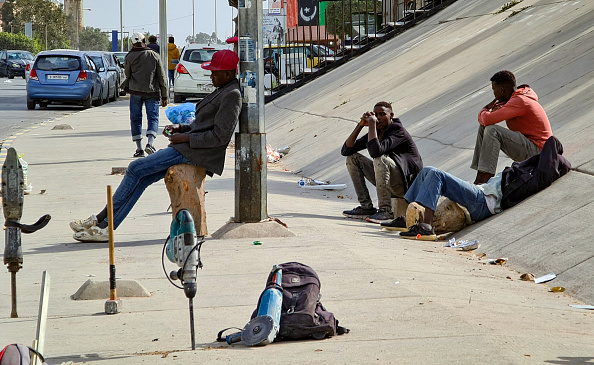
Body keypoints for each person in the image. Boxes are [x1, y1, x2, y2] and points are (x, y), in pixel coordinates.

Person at [70, 50, 242, 242]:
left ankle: (102, 221)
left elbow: (220, 136)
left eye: (215, 73)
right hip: (189, 147)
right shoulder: (223, 89)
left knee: (136, 168)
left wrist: (184, 138)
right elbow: (202, 124)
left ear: (228, 73)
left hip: (198, 153)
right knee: (142, 179)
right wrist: (181, 128)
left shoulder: (232, 95)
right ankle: (104, 224)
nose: (211, 76)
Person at [399, 136, 570, 241]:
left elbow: (552, 142)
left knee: (437, 174)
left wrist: (556, 151)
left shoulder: (540, 176)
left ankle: (426, 227)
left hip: (483, 202)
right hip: (481, 193)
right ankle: (403, 217)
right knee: (428, 170)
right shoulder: (532, 172)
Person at [341, 101, 423, 225]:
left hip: (406, 187)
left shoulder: (398, 130)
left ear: (391, 115)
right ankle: (366, 207)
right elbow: (346, 150)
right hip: (390, 180)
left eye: (382, 114)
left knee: (380, 159)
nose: (378, 118)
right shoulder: (377, 132)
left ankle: (385, 211)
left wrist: (372, 124)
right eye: (376, 115)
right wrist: (360, 125)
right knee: (352, 158)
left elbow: (376, 152)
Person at [471, 70, 552, 184]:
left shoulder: (519, 101)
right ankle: (480, 176)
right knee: (484, 128)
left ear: (502, 90)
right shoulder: (515, 99)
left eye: (494, 90)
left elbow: (486, 119)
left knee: (492, 130)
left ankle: (486, 180)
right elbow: (485, 122)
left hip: (539, 153)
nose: (494, 94)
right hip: (532, 147)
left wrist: (486, 107)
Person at [122, 32, 168, 158]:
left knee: (136, 119)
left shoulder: (129, 56)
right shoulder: (154, 55)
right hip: (152, 92)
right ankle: (150, 144)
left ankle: (139, 149)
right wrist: (164, 96)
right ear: (144, 41)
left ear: (132, 43)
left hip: (135, 92)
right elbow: (162, 77)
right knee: (153, 118)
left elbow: (127, 74)